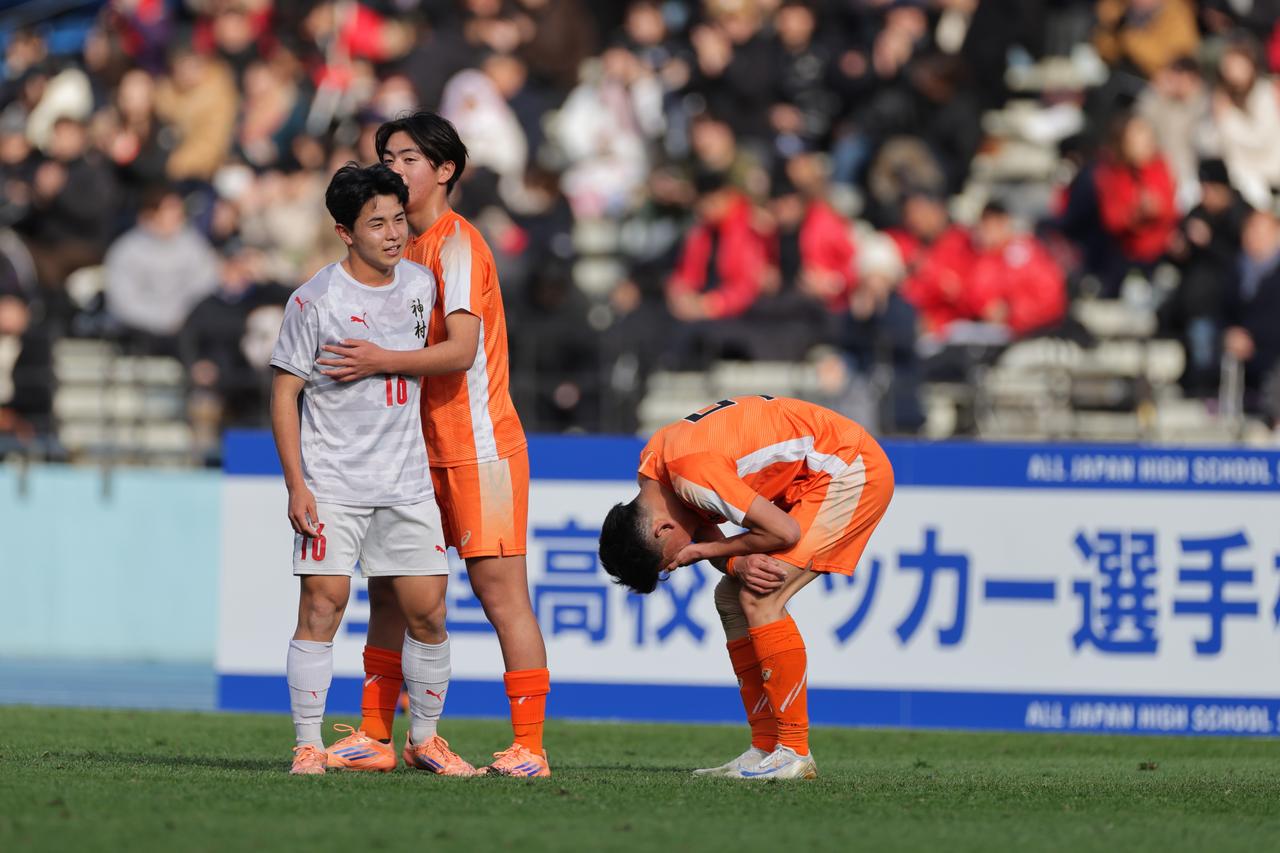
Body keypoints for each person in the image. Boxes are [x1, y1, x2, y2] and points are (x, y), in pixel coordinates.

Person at [317, 112, 551, 778]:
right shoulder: (396, 247)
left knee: (501, 593)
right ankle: (374, 735)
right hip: (414, 453)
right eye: (386, 156)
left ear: (446, 169)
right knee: (393, 591)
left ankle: (530, 747)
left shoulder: (457, 246)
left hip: (480, 447)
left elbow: (460, 349)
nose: (394, 167)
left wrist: (377, 360)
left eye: (409, 157)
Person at [269, 162, 472, 776]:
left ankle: (425, 739)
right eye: (376, 222)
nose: (393, 233)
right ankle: (308, 743)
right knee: (322, 607)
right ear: (344, 231)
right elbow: (284, 395)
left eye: (398, 219)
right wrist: (296, 484)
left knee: (429, 613)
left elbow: (452, 354)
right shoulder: (314, 300)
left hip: (405, 483)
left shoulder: (421, 286)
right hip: (333, 483)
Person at [598, 395, 894, 780]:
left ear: (661, 530)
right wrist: (735, 560)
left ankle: (793, 751)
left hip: (848, 468)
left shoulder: (691, 475)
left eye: (668, 563)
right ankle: (766, 747)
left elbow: (782, 531)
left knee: (760, 596)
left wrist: (709, 550)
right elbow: (714, 537)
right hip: (819, 470)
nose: (679, 561)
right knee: (729, 597)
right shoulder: (656, 471)